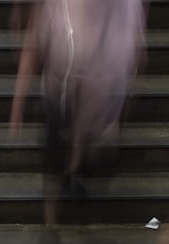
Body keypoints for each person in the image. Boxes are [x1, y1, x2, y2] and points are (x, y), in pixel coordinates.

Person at [10, 0, 145, 209]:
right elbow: (35, 39)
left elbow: (134, 43)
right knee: (62, 129)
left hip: (93, 75)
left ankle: (70, 172)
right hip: (67, 75)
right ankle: (62, 185)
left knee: (74, 127)